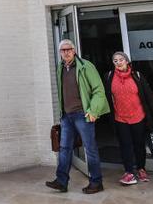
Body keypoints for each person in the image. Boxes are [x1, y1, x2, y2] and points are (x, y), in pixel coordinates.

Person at [45, 39, 109, 194]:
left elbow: (99, 90)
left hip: (83, 114)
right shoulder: (61, 67)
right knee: (64, 148)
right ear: (60, 53)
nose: (66, 52)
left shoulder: (86, 66)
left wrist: (93, 111)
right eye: (63, 50)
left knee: (90, 149)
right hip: (67, 116)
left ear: (74, 50)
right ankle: (61, 181)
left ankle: (96, 182)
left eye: (69, 49)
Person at [105, 52, 153, 185]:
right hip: (120, 118)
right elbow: (107, 98)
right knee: (125, 146)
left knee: (139, 145)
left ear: (127, 61)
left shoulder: (137, 76)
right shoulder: (109, 77)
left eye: (121, 60)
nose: (118, 62)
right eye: (115, 60)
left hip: (138, 116)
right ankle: (129, 172)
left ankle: (141, 169)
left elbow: (149, 96)